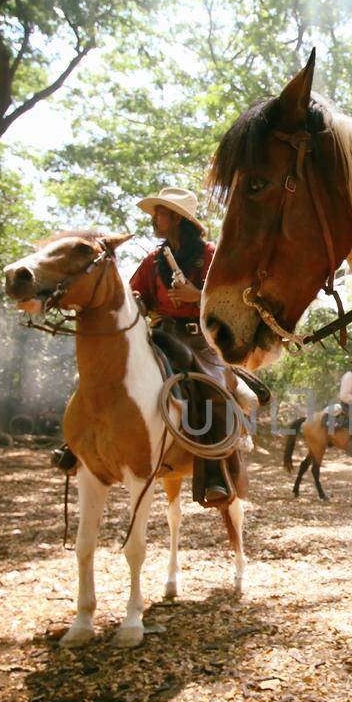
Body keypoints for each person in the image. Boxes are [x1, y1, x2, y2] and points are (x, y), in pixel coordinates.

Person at [130, 187, 239, 506]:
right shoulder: (153, 260)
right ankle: (84, 447)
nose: (155, 218)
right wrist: (135, 301)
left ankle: (216, 474)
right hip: (161, 336)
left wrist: (198, 296)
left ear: (177, 218)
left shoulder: (210, 255)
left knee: (215, 389)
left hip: (201, 340)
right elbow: (139, 296)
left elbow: (233, 299)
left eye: (160, 213)